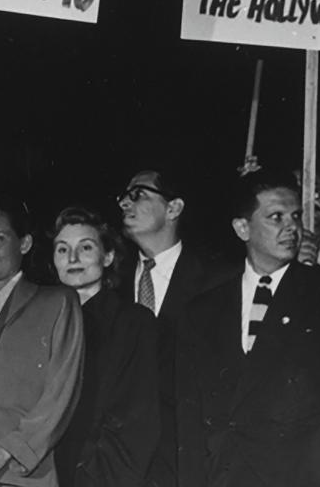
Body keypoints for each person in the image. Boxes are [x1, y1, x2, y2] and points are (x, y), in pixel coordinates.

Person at [179, 169, 320, 487]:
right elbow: (189, 411)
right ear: (242, 228)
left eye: (295, 217)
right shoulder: (204, 309)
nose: (292, 228)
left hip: (312, 475)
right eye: (276, 217)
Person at [0, 198, 83, 487]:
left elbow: (61, 394)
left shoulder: (56, 303)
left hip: (20, 475)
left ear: (24, 243)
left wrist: (6, 450)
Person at [115, 169, 226, 487]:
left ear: (174, 208)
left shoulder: (215, 281)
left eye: (138, 194)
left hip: (187, 463)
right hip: (121, 464)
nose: (124, 202)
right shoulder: (110, 280)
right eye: (123, 196)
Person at [48, 206, 158, 487]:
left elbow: (137, 421)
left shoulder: (133, 323)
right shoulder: (43, 322)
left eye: (85, 247)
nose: (72, 258)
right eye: (62, 249)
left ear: (107, 256)